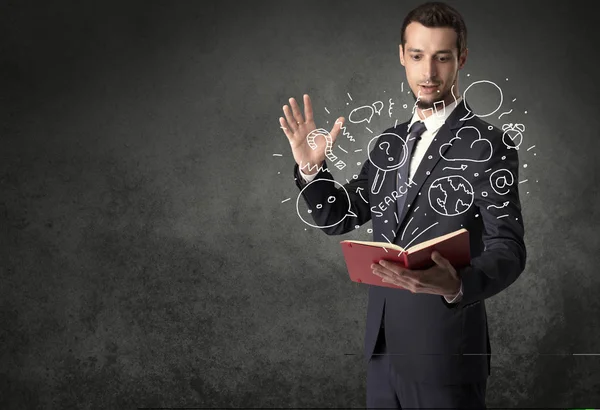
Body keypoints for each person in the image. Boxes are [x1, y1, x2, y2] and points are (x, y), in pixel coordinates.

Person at [279, 1, 526, 408]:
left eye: (442, 58)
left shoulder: (488, 145)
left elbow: (510, 249)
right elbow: (339, 217)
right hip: (382, 352)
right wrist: (310, 169)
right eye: (417, 56)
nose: (428, 73)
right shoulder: (388, 143)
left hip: (445, 355)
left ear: (461, 59)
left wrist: (458, 284)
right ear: (402, 57)